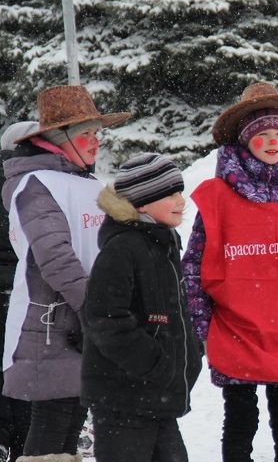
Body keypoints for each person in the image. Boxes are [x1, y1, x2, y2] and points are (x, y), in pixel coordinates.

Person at [182, 82, 278, 462]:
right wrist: (203, 326)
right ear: (245, 139)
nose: (272, 142)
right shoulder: (217, 198)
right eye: (263, 134)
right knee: (239, 422)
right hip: (235, 330)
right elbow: (194, 267)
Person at [2, 86, 130, 461]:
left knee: (69, 429)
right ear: (59, 141)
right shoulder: (36, 185)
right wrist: (98, 309)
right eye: (86, 135)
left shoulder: (83, 182)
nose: (95, 144)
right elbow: (55, 258)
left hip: (83, 326)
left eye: (97, 135)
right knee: (50, 431)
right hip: (52, 328)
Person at [81, 154, 202, 462]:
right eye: (170, 194)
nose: (181, 201)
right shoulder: (123, 248)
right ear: (142, 204)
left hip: (156, 400)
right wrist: (155, 364)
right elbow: (104, 319)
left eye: (180, 192)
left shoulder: (162, 242)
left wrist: (190, 352)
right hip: (125, 401)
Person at [0, 122, 38, 462]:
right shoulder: (32, 189)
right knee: (21, 379)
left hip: (14, 294)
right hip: (25, 295)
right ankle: (23, 443)